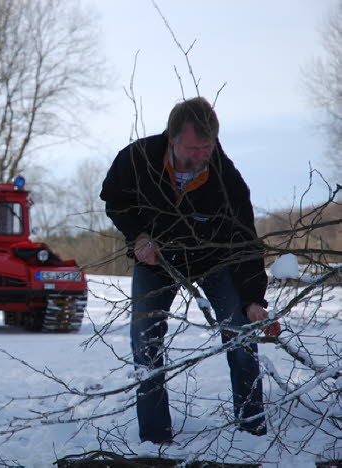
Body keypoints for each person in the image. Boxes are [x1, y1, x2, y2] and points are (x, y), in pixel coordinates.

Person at [100, 96, 280, 444]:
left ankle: (252, 429)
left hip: (214, 261)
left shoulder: (227, 181)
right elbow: (114, 198)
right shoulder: (138, 159)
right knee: (145, 342)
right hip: (158, 260)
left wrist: (254, 299)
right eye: (194, 147)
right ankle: (155, 439)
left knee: (241, 336)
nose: (202, 155)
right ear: (172, 137)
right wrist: (138, 236)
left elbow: (245, 243)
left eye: (208, 147)